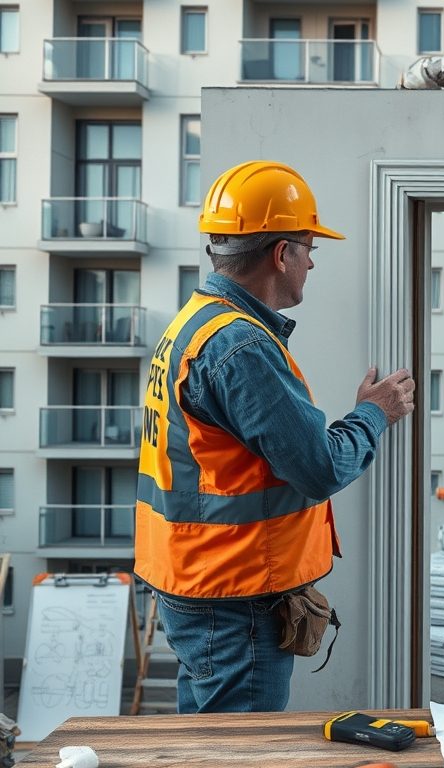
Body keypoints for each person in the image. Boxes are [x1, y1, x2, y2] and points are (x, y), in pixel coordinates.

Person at [133, 160, 414, 713]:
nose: (311, 261)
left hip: (194, 577)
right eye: (309, 247)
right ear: (282, 253)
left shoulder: (195, 323)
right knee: (240, 751)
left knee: (206, 744)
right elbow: (319, 468)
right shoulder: (241, 347)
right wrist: (374, 414)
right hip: (234, 593)